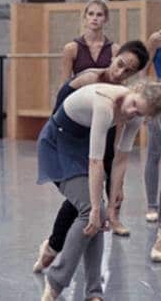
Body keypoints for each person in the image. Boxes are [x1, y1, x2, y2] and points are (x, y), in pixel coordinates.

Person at [38, 81, 161, 301]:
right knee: (91, 212)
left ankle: (94, 293)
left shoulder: (135, 116)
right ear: (135, 90)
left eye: (139, 113)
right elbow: (96, 162)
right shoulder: (105, 103)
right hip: (58, 144)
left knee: (100, 217)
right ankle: (56, 282)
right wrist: (97, 207)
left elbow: (121, 160)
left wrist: (112, 206)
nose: (132, 112)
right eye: (134, 104)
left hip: (83, 147)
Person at [33, 40, 149, 273]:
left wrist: (116, 187)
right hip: (63, 140)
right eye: (120, 64)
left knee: (86, 200)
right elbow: (59, 113)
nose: (120, 73)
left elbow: (116, 151)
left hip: (92, 143)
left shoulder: (127, 100)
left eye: (128, 71)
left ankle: (55, 247)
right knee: (86, 201)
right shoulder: (90, 79)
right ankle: (54, 251)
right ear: (114, 57)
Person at [60, 0, 130, 236]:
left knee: (109, 160)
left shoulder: (115, 50)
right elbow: (65, 86)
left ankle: (114, 216)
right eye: (91, 14)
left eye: (99, 14)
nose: (94, 19)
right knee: (84, 164)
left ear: (106, 19)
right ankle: (86, 211)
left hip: (107, 112)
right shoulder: (72, 49)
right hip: (81, 115)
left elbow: (120, 83)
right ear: (84, 17)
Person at [144, 30, 161, 261]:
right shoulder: (156, 39)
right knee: (154, 153)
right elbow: (143, 68)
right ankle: (151, 205)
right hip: (159, 96)